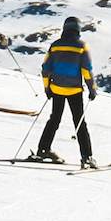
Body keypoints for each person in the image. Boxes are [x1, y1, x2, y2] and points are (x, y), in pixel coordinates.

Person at [33, 16, 98, 167]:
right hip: (74, 90)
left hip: (56, 88)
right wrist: (92, 89)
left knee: (54, 119)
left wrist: (47, 88)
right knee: (79, 123)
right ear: (78, 29)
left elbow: (46, 69)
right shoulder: (82, 46)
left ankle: (43, 149)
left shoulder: (55, 45)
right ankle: (86, 157)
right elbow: (86, 70)